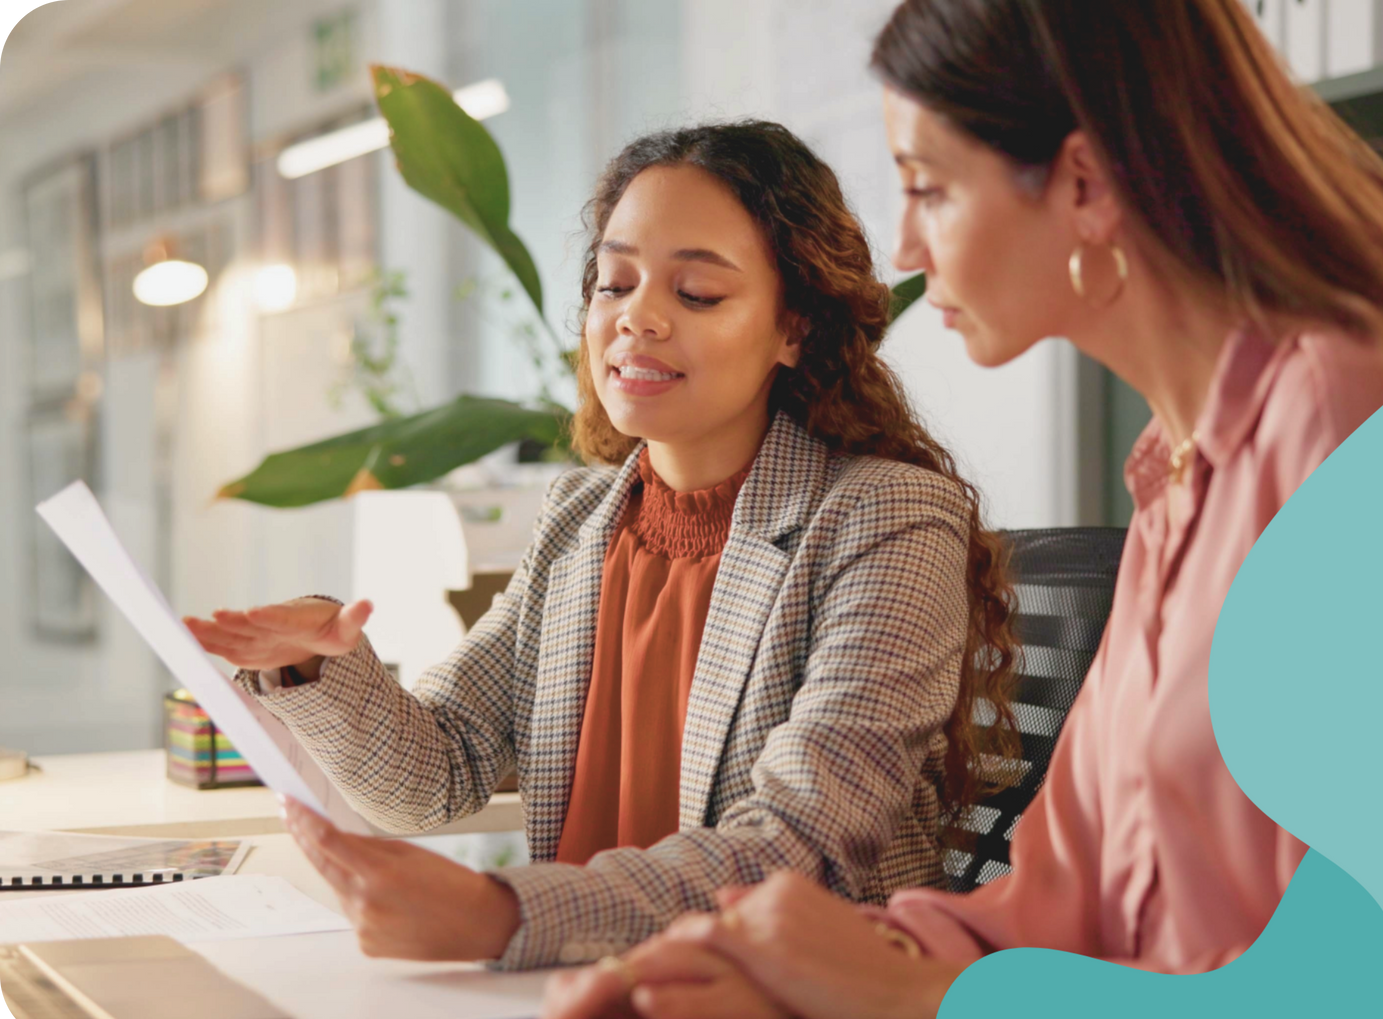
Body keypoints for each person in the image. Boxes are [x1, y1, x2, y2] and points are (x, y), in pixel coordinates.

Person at [532, 0, 1383, 1019]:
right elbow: (1054, 904)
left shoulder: (1349, 425)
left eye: (928, 188)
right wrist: (798, 964)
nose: (903, 242)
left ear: (1081, 184)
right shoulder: (1175, 477)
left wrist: (923, 1004)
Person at [184, 120, 1022, 971]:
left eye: (696, 294)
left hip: (782, 1006)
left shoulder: (886, 516)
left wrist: (500, 915)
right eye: (614, 283)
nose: (638, 319)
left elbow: (799, 844)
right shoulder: (580, 519)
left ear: (793, 329)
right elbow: (439, 772)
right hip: (580, 994)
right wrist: (317, 662)